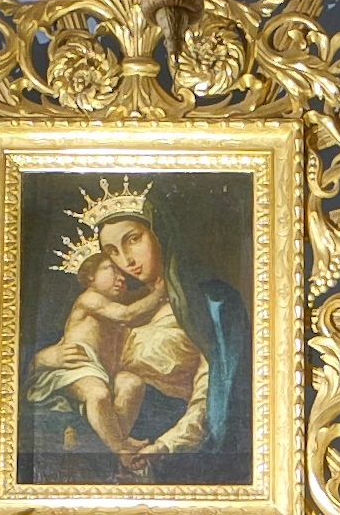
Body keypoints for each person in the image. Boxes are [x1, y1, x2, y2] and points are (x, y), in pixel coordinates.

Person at [29, 186, 246, 478]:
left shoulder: (211, 304)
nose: (126, 261)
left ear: (160, 234)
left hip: (161, 446)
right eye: (112, 252)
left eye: (133, 240)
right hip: (102, 436)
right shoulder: (118, 302)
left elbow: (213, 395)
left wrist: (166, 446)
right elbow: (76, 353)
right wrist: (44, 357)